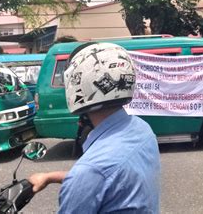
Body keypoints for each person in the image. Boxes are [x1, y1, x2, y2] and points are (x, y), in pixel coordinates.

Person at [28, 42, 161, 213]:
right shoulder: (141, 129)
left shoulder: (91, 170)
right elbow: (106, 179)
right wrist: (49, 177)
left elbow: (94, 176)